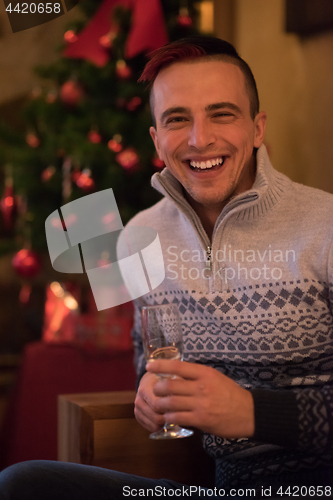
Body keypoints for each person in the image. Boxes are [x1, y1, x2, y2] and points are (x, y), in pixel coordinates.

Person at [0, 36, 332, 499]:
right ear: (157, 139)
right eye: (178, 119)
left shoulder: (325, 226)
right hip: (219, 489)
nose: (200, 139)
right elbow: (150, 368)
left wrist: (254, 411)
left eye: (222, 113)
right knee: (23, 483)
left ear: (257, 128)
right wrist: (149, 399)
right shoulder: (138, 235)